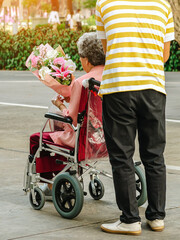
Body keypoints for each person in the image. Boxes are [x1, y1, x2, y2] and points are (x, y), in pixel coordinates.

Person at [96, 0, 174, 235]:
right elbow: (164, 54)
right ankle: (157, 217)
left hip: (119, 87)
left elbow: (108, 50)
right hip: (153, 88)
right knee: (154, 155)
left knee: (122, 157)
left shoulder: (104, 3)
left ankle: (130, 219)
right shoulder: (163, 5)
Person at [30, 32, 105, 194]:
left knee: (37, 138)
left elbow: (72, 119)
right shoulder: (112, 76)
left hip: (85, 140)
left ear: (86, 59)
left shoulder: (81, 82)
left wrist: (59, 105)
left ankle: (48, 183)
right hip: (109, 138)